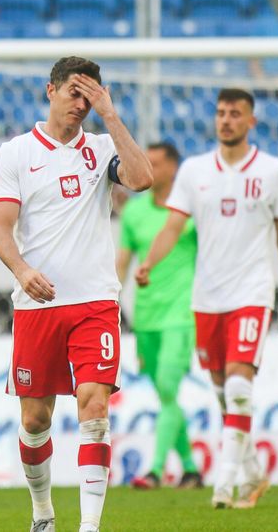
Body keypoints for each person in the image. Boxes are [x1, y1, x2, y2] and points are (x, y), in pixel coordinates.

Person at [0, 57, 152, 532]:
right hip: (38, 306)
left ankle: (89, 527)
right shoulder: (16, 153)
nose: (82, 105)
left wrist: (112, 115)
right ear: (51, 91)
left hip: (95, 302)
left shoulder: (101, 148)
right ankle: (42, 513)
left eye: (90, 96)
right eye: (74, 94)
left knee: (95, 406)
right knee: (35, 419)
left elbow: (142, 180)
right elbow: (0, 227)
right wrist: (21, 270)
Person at [135, 87, 278, 509]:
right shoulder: (194, 171)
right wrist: (149, 264)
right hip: (207, 298)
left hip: (251, 292)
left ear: (251, 121)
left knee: (237, 385)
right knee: (222, 393)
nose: (226, 120)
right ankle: (251, 473)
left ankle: (224, 484)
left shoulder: (273, 171)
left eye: (235, 113)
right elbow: (172, 226)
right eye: (220, 113)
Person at [116, 143, 203, 490]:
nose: (147, 170)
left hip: (182, 316)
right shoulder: (134, 213)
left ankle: (154, 470)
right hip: (146, 319)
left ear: (172, 169)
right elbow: (123, 261)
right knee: (167, 396)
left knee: (167, 387)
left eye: (154, 164)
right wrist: (112, 301)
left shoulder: (190, 213)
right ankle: (190, 468)